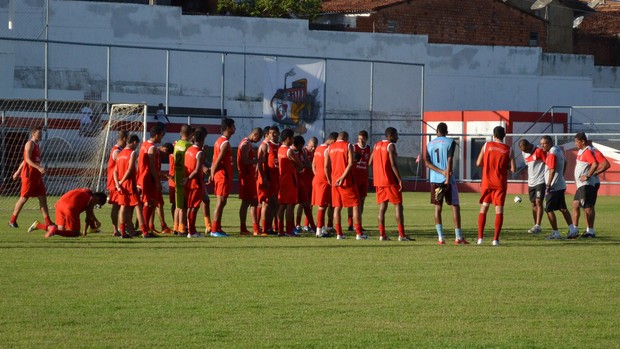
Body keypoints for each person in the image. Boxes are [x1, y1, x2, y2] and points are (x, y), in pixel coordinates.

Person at [424, 122, 468, 245]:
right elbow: (450, 160)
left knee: (437, 208)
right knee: (455, 206)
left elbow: (427, 163)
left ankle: (440, 238)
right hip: (447, 179)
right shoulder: (450, 142)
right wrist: (446, 176)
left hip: (434, 180)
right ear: (446, 132)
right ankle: (458, 238)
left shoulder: (429, 144)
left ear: (437, 132)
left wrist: (440, 171)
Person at [475, 126, 516, 246]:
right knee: (499, 210)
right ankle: (495, 240)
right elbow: (513, 169)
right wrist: (504, 166)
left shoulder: (487, 145)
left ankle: (480, 239)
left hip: (487, 182)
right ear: (504, 135)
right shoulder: (509, 149)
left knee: (484, 207)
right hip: (500, 183)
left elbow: (478, 163)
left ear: (494, 135)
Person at [369, 127, 411, 241]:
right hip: (390, 181)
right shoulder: (390, 146)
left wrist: (379, 169)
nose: (397, 137)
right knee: (398, 206)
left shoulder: (376, 145)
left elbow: (370, 162)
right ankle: (401, 235)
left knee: (382, 208)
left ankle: (382, 235)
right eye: (396, 135)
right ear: (391, 135)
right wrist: (399, 179)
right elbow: (393, 164)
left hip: (379, 181)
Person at [9, 126, 53, 230]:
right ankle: (12, 220)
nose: (41, 135)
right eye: (39, 133)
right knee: (24, 198)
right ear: (33, 134)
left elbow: (25, 160)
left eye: (41, 133)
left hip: (36, 176)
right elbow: (27, 159)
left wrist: (17, 171)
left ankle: (48, 222)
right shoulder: (30, 144)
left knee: (43, 198)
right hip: (29, 176)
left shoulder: (37, 145)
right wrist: (38, 167)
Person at [325, 131, 366, 240]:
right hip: (347, 181)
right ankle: (359, 233)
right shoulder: (348, 145)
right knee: (356, 205)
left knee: (337, 207)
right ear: (346, 138)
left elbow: (326, 166)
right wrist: (342, 177)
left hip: (334, 181)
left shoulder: (330, 147)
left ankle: (339, 234)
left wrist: (329, 179)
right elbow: (351, 162)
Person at [539, 136, 577, 240]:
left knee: (548, 209)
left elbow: (552, 170)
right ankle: (572, 230)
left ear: (550, 143)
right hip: (560, 184)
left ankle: (555, 232)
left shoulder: (551, 154)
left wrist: (548, 185)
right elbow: (565, 162)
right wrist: (561, 175)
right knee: (563, 208)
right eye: (541, 143)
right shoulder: (558, 150)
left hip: (554, 187)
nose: (542, 146)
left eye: (544, 143)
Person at [115, 134, 151, 239]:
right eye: (137, 144)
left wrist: (118, 183)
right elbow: (130, 169)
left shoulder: (120, 153)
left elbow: (115, 171)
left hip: (121, 185)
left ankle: (122, 232)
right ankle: (145, 232)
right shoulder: (132, 153)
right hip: (129, 183)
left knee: (123, 207)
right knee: (138, 207)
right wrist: (122, 181)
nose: (137, 146)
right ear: (134, 142)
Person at [570, 132, 601, 238]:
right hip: (580, 185)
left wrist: (588, 176)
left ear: (582, 141)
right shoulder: (581, 151)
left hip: (586, 184)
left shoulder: (588, 151)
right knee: (575, 204)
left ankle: (590, 231)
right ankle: (574, 229)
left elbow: (595, 164)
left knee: (588, 207)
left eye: (577, 141)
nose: (575, 143)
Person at [137, 124, 165, 235]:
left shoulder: (145, 144)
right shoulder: (152, 148)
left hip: (142, 176)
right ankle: (145, 230)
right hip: (148, 178)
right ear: (157, 135)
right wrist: (157, 181)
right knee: (148, 203)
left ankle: (146, 228)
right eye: (161, 135)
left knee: (150, 203)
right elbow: (152, 166)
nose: (162, 138)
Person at [210, 118, 236, 237]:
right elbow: (217, 161)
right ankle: (214, 229)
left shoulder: (219, 141)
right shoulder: (225, 143)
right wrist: (212, 174)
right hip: (222, 175)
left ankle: (217, 227)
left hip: (221, 175)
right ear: (228, 128)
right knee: (220, 202)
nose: (235, 128)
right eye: (233, 126)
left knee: (222, 202)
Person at [276, 129, 304, 237]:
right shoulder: (289, 151)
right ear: (287, 138)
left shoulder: (279, 149)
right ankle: (288, 230)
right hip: (290, 180)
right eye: (292, 138)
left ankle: (280, 230)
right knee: (290, 205)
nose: (293, 140)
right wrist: (294, 166)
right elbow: (300, 165)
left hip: (282, 179)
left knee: (282, 205)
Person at [237, 127, 263, 236]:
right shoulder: (246, 144)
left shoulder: (247, 143)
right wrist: (257, 160)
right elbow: (245, 160)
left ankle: (244, 228)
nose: (258, 140)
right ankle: (255, 229)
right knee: (252, 202)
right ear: (255, 135)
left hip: (248, 176)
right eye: (259, 138)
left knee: (247, 202)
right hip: (246, 177)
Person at [518, 139, 547, 235]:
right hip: (531, 182)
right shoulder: (524, 153)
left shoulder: (539, 150)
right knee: (533, 204)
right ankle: (536, 225)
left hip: (540, 180)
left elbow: (547, 163)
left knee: (539, 201)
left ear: (529, 145)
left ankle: (538, 225)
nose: (524, 152)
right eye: (523, 151)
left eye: (525, 150)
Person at [311, 132, 338, 238]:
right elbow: (326, 167)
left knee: (324, 205)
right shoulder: (327, 149)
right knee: (322, 206)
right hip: (324, 182)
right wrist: (328, 179)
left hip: (317, 179)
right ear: (333, 140)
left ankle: (322, 228)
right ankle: (319, 231)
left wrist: (317, 175)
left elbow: (313, 164)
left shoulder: (318, 148)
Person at [102, 130, 128, 237]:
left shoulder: (119, 150)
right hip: (115, 182)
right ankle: (116, 229)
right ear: (125, 138)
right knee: (118, 206)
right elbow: (120, 165)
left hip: (118, 181)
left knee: (119, 206)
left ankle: (120, 228)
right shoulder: (116, 151)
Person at [257, 126, 280, 236]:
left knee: (275, 204)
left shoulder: (281, 146)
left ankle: (269, 227)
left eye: (274, 133)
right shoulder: (266, 146)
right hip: (268, 179)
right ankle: (264, 229)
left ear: (278, 134)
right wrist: (264, 178)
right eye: (271, 133)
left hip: (277, 179)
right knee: (266, 203)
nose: (272, 135)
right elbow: (260, 164)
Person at [185, 127, 208, 238]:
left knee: (190, 207)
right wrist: (188, 178)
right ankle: (192, 232)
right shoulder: (199, 153)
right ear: (203, 140)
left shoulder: (189, 150)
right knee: (194, 207)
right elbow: (197, 169)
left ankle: (190, 230)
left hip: (189, 183)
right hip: (196, 182)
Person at [172, 125, 194, 235]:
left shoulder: (177, 144)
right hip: (185, 176)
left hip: (177, 174)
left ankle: (175, 227)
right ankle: (182, 228)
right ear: (191, 135)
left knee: (178, 204)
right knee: (184, 206)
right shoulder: (189, 146)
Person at [347, 130, 370, 232]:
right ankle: (350, 224)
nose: (361, 140)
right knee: (352, 202)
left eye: (363, 139)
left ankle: (358, 224)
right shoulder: (353, 147)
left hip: (364, 179)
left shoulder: (369, 149)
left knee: (362, 202)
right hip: (354, 179)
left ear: (366, 139)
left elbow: (369, 162)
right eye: (359, 139)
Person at [292, 135, 316, 234]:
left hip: (304, 181)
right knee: (293, 205)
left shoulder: (303, 152)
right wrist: (301, 166)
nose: (313, 148)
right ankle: (295, 225)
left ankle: (311, 226)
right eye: (311, 146)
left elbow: (308, 165)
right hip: (295, 180)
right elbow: (297, 167)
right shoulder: (291, 151)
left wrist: (301, 166)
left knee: (307, 203)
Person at [150, 142, 174, 235]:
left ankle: (160, 226)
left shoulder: (157, 153)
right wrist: (157, 182)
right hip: (152, 182)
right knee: (153, 204)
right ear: (164, 150)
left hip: (154, 181)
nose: (165, 156)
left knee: (158, 203)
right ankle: (151, 226)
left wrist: (165, 175)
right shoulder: (155, 153)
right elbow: (153, 169)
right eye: (166, 154)